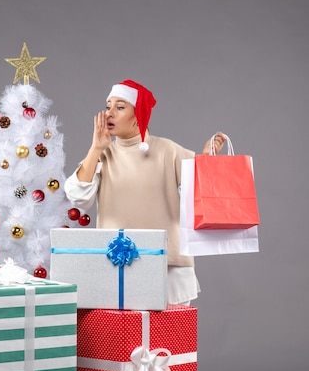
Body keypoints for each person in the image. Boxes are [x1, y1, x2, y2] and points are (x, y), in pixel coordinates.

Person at [64, 79, 226, 305]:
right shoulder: (104, 153)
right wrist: (95, 149)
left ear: (139, 114)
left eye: (120, 107)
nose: (109, 113)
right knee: (121, 337)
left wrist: (206, 162)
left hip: (167, 266)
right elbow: (78, 196)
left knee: (167, 338)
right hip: (116, 263)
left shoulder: (168, 150)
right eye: (108, 106)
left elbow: (202, 193)